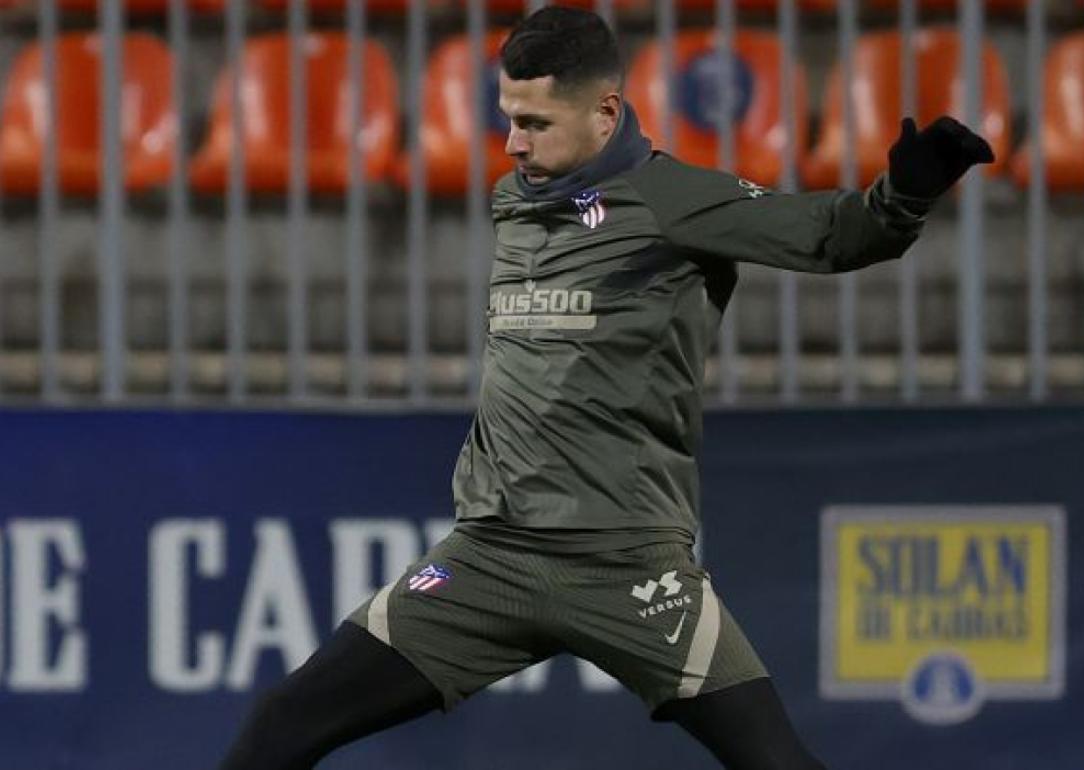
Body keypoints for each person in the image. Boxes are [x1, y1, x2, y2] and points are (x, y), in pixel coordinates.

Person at [217, 7, 993, 770]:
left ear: (606, 111)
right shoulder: (515, 199)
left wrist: (904, 196)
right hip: (488, 559)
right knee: (283, 721)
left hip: (626, 565)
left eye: (536, 123)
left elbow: (834, 233)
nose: (515, 142)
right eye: (508, 119)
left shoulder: (674, 201)